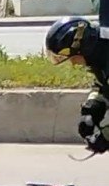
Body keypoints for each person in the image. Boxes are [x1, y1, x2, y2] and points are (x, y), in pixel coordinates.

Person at [45, 16, 109, 154]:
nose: (73, 64)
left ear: (83, 49)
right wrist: (92, 108)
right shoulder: (100, 53)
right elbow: (102, 85)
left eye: (72, 58)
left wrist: (106, 136)